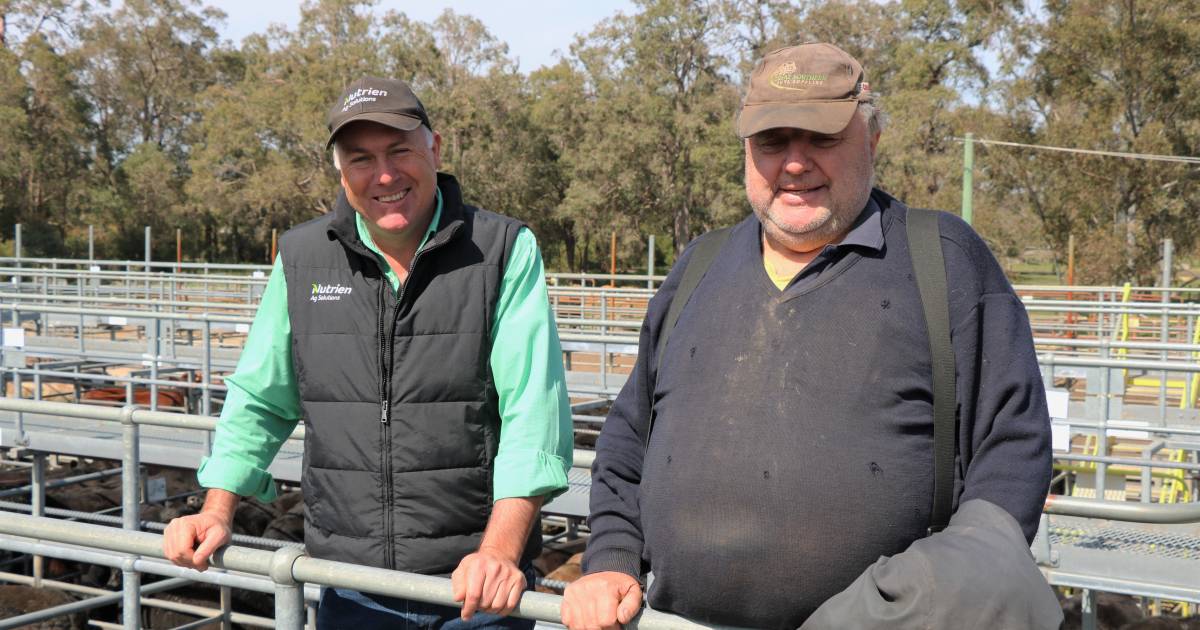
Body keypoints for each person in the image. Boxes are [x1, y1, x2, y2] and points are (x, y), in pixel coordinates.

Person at [561, 43, 1061, 629]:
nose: (795, 163)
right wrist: (612, 559)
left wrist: (923, 598)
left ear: (871, 139)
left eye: (822, 138)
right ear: (747, 150)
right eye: (773, 141)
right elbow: (627, 440)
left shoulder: (945, 260)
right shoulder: (699, 265)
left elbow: (1012, 450)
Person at [162, 77, 573, 629]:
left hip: (475, 590)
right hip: (353, 587)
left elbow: (533, 412)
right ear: (340, 170)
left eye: (399, 150)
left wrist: (498, 552)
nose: (384, 175)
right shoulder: (304, 258)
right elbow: (260, 396)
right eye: (361, 158)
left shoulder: (500, 250)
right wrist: (216, 508)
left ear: (435, 148)